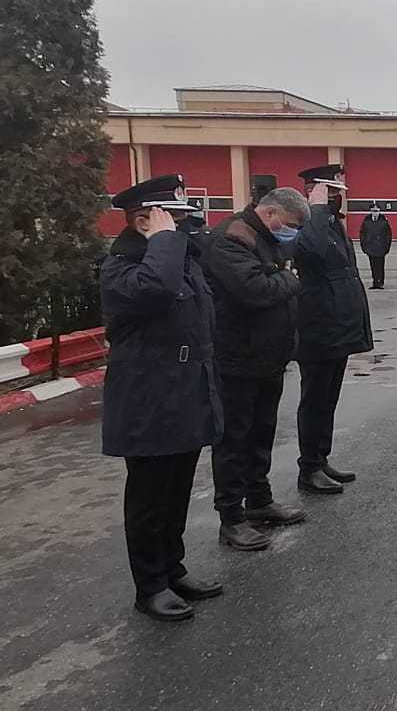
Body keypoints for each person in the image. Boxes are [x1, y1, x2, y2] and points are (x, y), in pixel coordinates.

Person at [100, 174, 224, 621]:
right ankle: (149, 585)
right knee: (150, 498)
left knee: (176, 491)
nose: (184, 227)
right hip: (148, 397)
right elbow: (155, 289)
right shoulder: (122, 269)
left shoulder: (178, 259)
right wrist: (164, 242)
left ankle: (173, 568)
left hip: (186, 391)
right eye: (173, 218)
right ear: (142, 221)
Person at [203, 187, 311, 552]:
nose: (292, 234)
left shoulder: (265, 238)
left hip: (268, 356)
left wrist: (280, 275)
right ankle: (232, 517)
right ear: (271, 213)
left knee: (261, 432)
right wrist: (288, 278)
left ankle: (259, 500)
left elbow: (274, 279)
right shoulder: (230, 240)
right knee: (234, 439)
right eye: (292, 225)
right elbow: (256, 290)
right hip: (237, 358)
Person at [293, 164, 374, 495]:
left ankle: (320, 458)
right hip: (317, 327)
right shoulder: (307, 224)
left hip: (336, 326)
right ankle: (308, 467)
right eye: (334, 192)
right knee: (314, 398)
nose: (339, 198)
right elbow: (316, 253)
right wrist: (313, 209)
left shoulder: (330, 224)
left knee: (328, 398)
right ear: (317, 191)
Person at [359, 202, 392, 290]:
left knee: (380, 265)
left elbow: (388, 235)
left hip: (381, 247)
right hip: (370, 247)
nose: (375, 212)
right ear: (370, 211)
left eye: (377, 211)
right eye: (373, 211)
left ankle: (380, 282)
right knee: (373, 265)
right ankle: (375, 281)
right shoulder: (366, 221)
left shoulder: (384, 221)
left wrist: (387, 246)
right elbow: (362, 234)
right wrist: (364, 245)